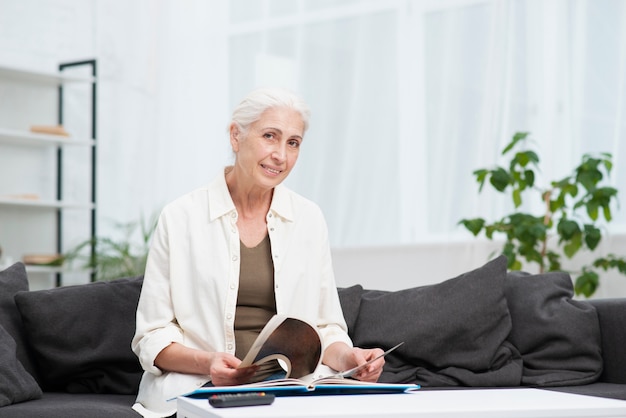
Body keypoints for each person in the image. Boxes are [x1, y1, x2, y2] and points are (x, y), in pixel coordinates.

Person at [131, 87, 385, 417]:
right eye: (270, 136)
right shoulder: (181, 217)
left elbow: (325, 329)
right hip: (200, 385)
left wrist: (350, 359)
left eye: (293, 143)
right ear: (236, 136)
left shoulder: (309, 219)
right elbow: (151, 336)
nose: (281, 155)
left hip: (288, 389)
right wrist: (208, 363)